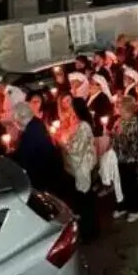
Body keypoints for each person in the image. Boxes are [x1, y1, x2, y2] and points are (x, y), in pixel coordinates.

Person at [57, 91, 99, 242]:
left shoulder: (83, 126)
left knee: (86, 201)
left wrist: (63, 143)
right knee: (83, 201)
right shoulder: (79, 124)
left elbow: (76, 149)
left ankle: (90, 232)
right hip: (79, 167)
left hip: (83, 167)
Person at [12, 99, 67, 197]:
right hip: (50, 169)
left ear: (19, 120)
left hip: (44, 175)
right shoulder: (36, 123)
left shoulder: (30, 133)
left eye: (15, 121)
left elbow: (25, 158)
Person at [111, 96, 138, 223]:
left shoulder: (134, 123)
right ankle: (123, 205)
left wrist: (119, 134)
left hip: (129, 158)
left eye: (122, 110)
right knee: (121, 183)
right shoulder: (120, 120)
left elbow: (130, 143)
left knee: (132, 184)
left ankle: (136, 208)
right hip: (119, 158)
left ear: (129, 110)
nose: (119, 111)